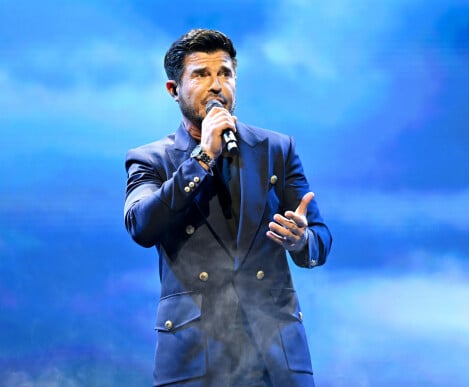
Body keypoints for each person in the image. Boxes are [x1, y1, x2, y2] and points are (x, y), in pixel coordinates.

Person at [123, 28, 332, 387]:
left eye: (225, 74)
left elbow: (320, 240)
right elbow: (141, 225)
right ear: (174, 90)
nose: (217, 86)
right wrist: (202, 157)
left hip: (274, 353)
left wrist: (301, 241)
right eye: (201, 75)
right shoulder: (150, 159)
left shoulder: (276, 149)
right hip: (194, 359)